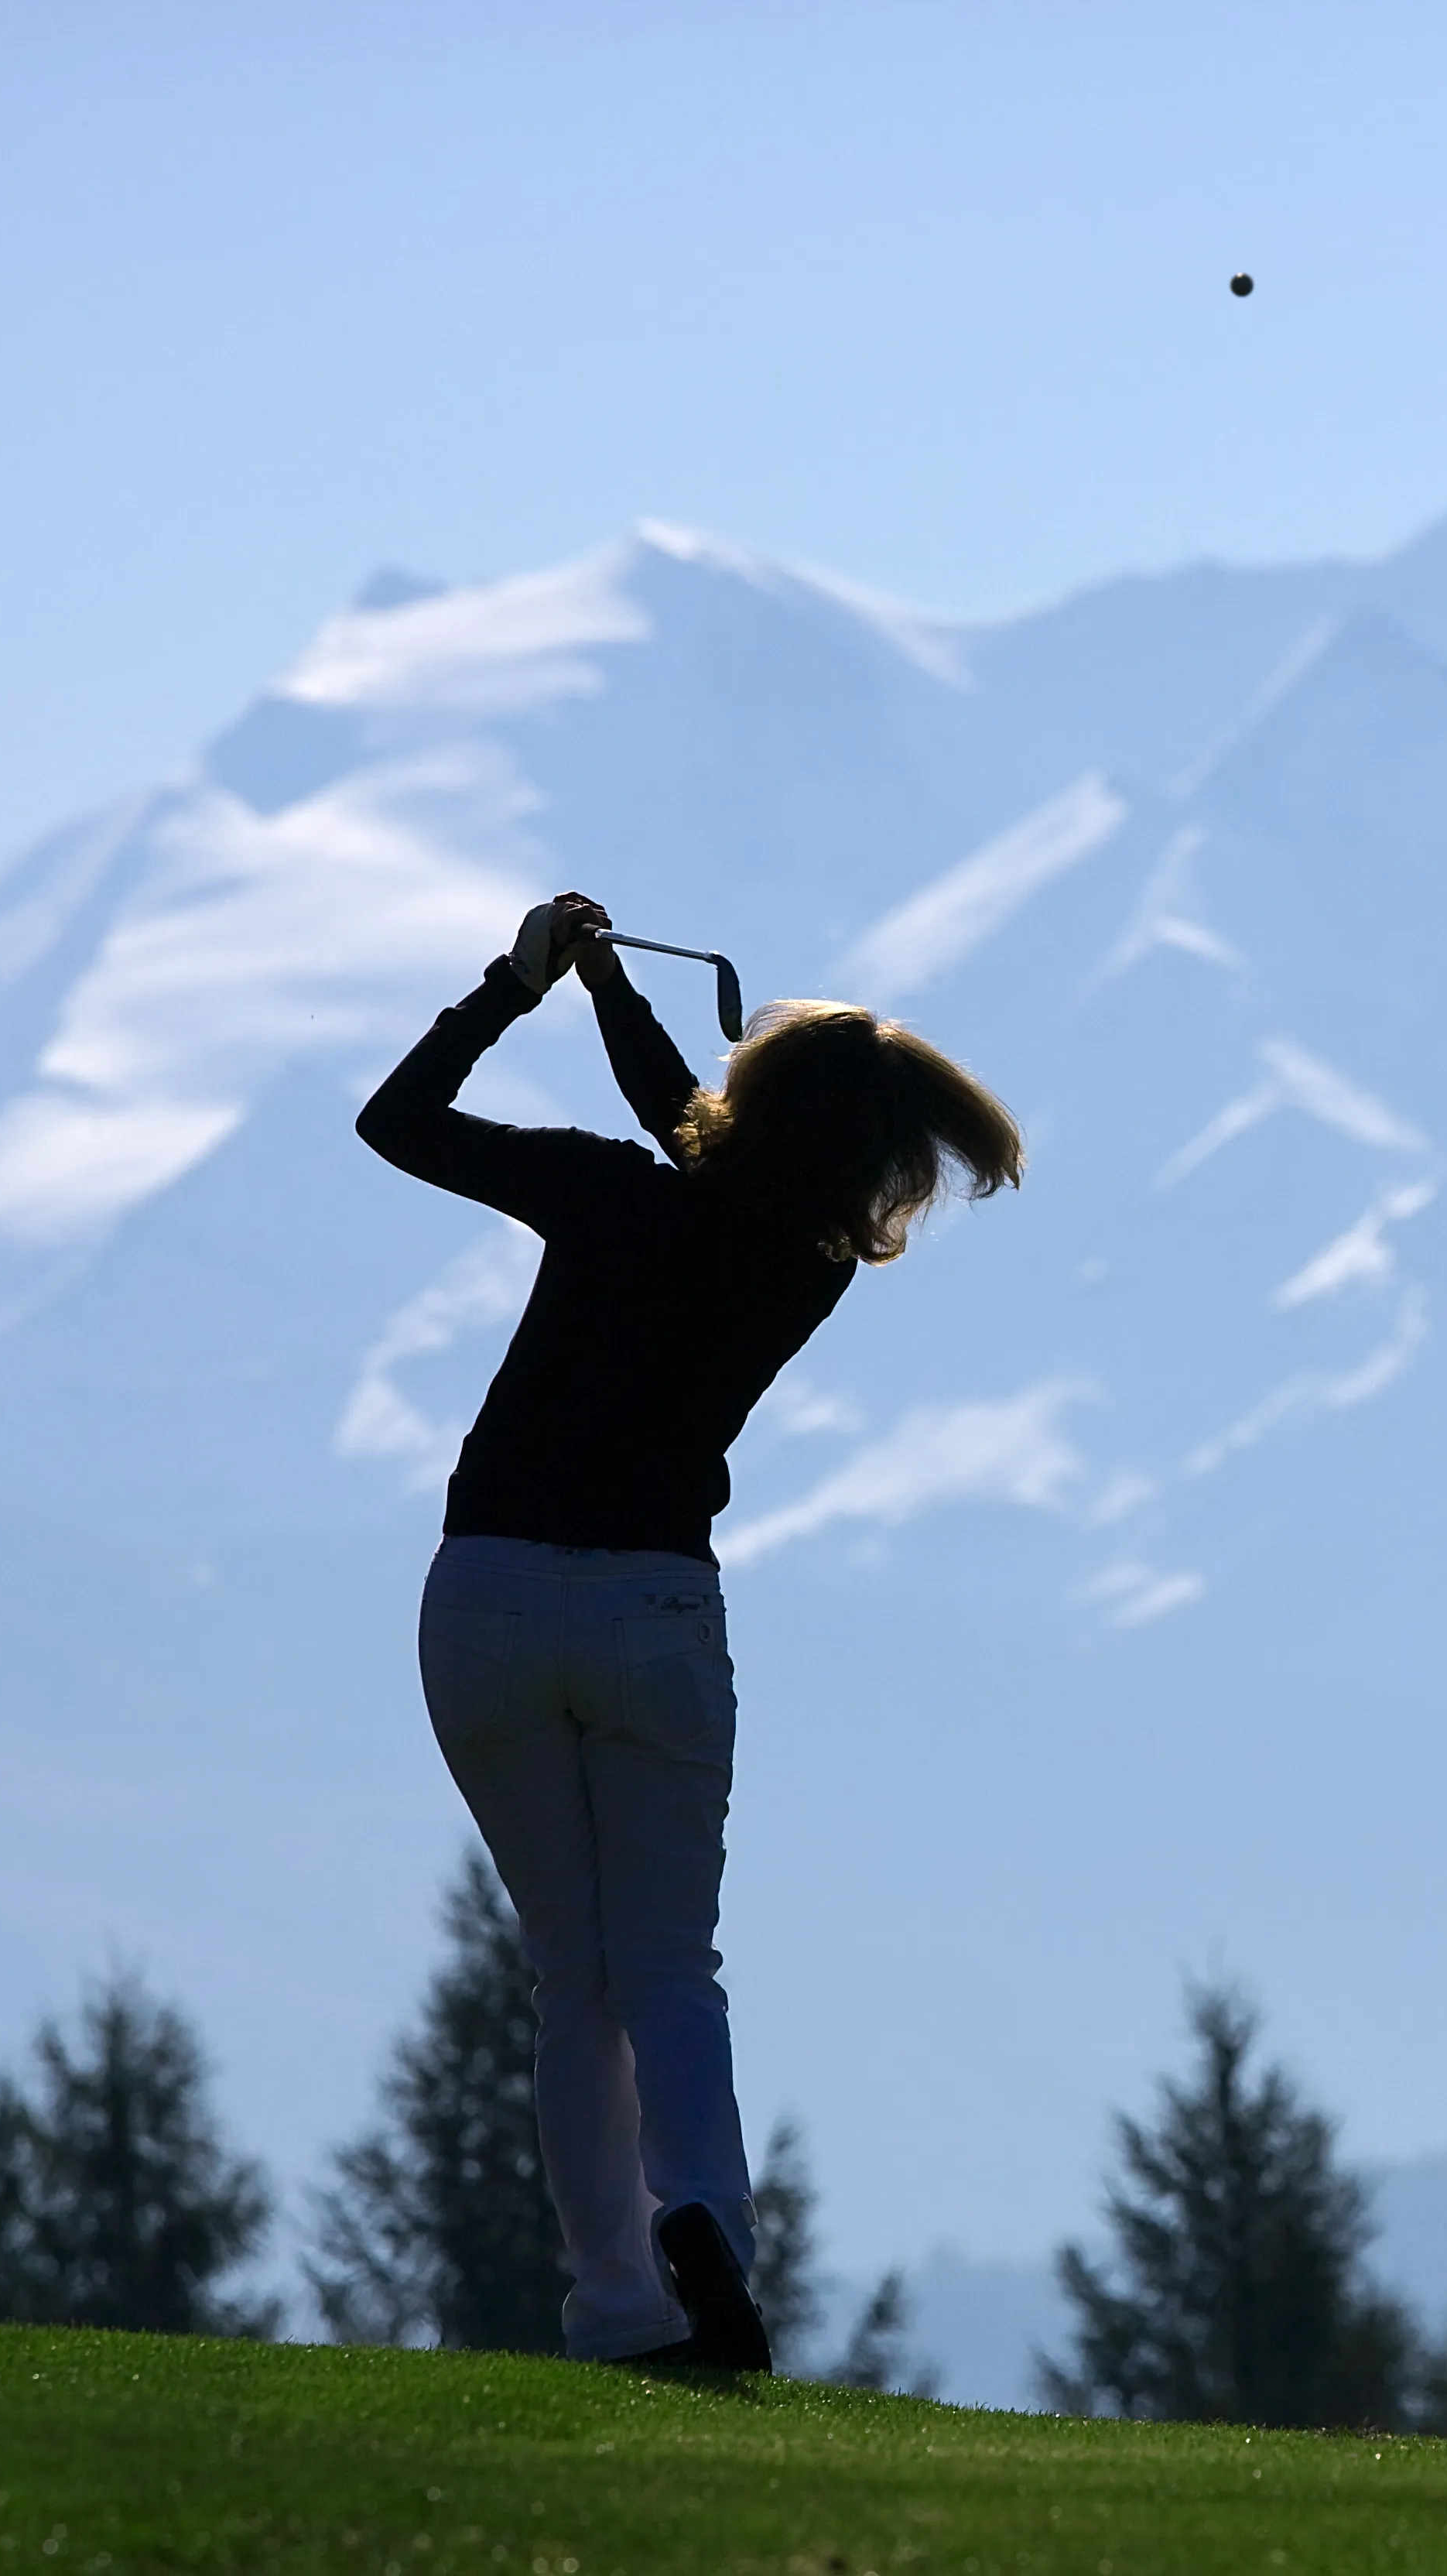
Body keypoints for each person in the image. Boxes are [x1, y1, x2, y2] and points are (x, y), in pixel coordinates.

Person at [355, 892, 1022, 2368]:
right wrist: (602, 993)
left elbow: (396, 1123)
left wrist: (518, 985)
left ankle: (614, 2310)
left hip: (490, 1600)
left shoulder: (604, 1192)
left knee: (568, 1980)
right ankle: (703, 2211)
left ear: (750, 1100)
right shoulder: (809, 1263)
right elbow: (698, 1130)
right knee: (665, 1969)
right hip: (657, 1612)